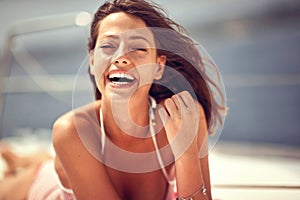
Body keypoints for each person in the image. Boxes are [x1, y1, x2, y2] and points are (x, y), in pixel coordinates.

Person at [0, 0, 226, 199]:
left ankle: (32, 160)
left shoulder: (185, 117)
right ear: (91, 61)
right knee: (14, 186)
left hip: (77, 164)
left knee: (47, 164)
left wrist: (185, 154)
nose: (121, 58)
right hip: (45, 191)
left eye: (138, 48)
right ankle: (29, 164)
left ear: (158, 67)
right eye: (108, 46)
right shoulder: (72, 131)